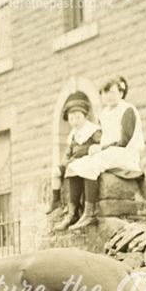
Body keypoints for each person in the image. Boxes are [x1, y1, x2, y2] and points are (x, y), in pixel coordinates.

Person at [64, 76, 145, 230]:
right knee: (75, 165)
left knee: (92, 164)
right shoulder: (104, 113)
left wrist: (101, 148)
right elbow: (105, 138)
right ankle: (73, 213)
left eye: (112, 92)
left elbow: (124, 140)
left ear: (121, 93)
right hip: (110, 152)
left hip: (125, 153)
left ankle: (91, 214)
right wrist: (98, 147)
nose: (109, 96)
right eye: (105, 93)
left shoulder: (127, 109)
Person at [52, 96, 101, 231]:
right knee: (71, 168)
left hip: (91, 160)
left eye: (78, 118)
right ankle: (72, 212)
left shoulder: (93, 130)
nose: (75, 122)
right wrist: (65, 162)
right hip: (77, 162)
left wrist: (95, 148)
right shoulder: (74, 134)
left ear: (85, 116)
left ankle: (89, 212)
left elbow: (100, 144)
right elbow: (68, 151)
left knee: (81, 167)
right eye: (71, 119)